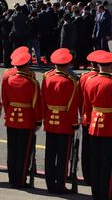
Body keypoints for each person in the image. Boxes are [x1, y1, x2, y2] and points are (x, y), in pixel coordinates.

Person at [83, 51, 112, 200]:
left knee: (95, 161)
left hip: (94, 125)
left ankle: (96, 192)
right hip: (110, 128)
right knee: (108, 163)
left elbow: (87, 106)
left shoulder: (90, 81)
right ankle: (106, 194)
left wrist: (89, 122)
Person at [2, 47, 42, 188]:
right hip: (26, 120)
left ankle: (12, 178)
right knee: (24, 152)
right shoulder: (32, 83)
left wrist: (8, 114)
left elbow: (5, 100)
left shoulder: (8, 79)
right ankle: (20, 179)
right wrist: (38, 121)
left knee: (12, 150)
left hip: (11, 118)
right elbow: (36, 104)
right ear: (26, 66)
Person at [41, 49, 80, 194]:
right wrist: (74, 124)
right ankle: (60, 184)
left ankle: (50, 183)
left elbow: (42, 101)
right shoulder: (70, 82)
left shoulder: (47, 78)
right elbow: (71, 106)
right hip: (64, 122)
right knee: (63, 156)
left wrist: (44, 118)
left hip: (50, 119)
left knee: (50, 153)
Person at [78, 50, 104, 185]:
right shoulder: (102, 79)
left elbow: (79, 99)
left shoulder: (84, 77)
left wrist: (81, 113)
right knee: (98, 150)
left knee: (86, 148)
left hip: (85, 117)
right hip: (100, 118)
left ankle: (87, 175)